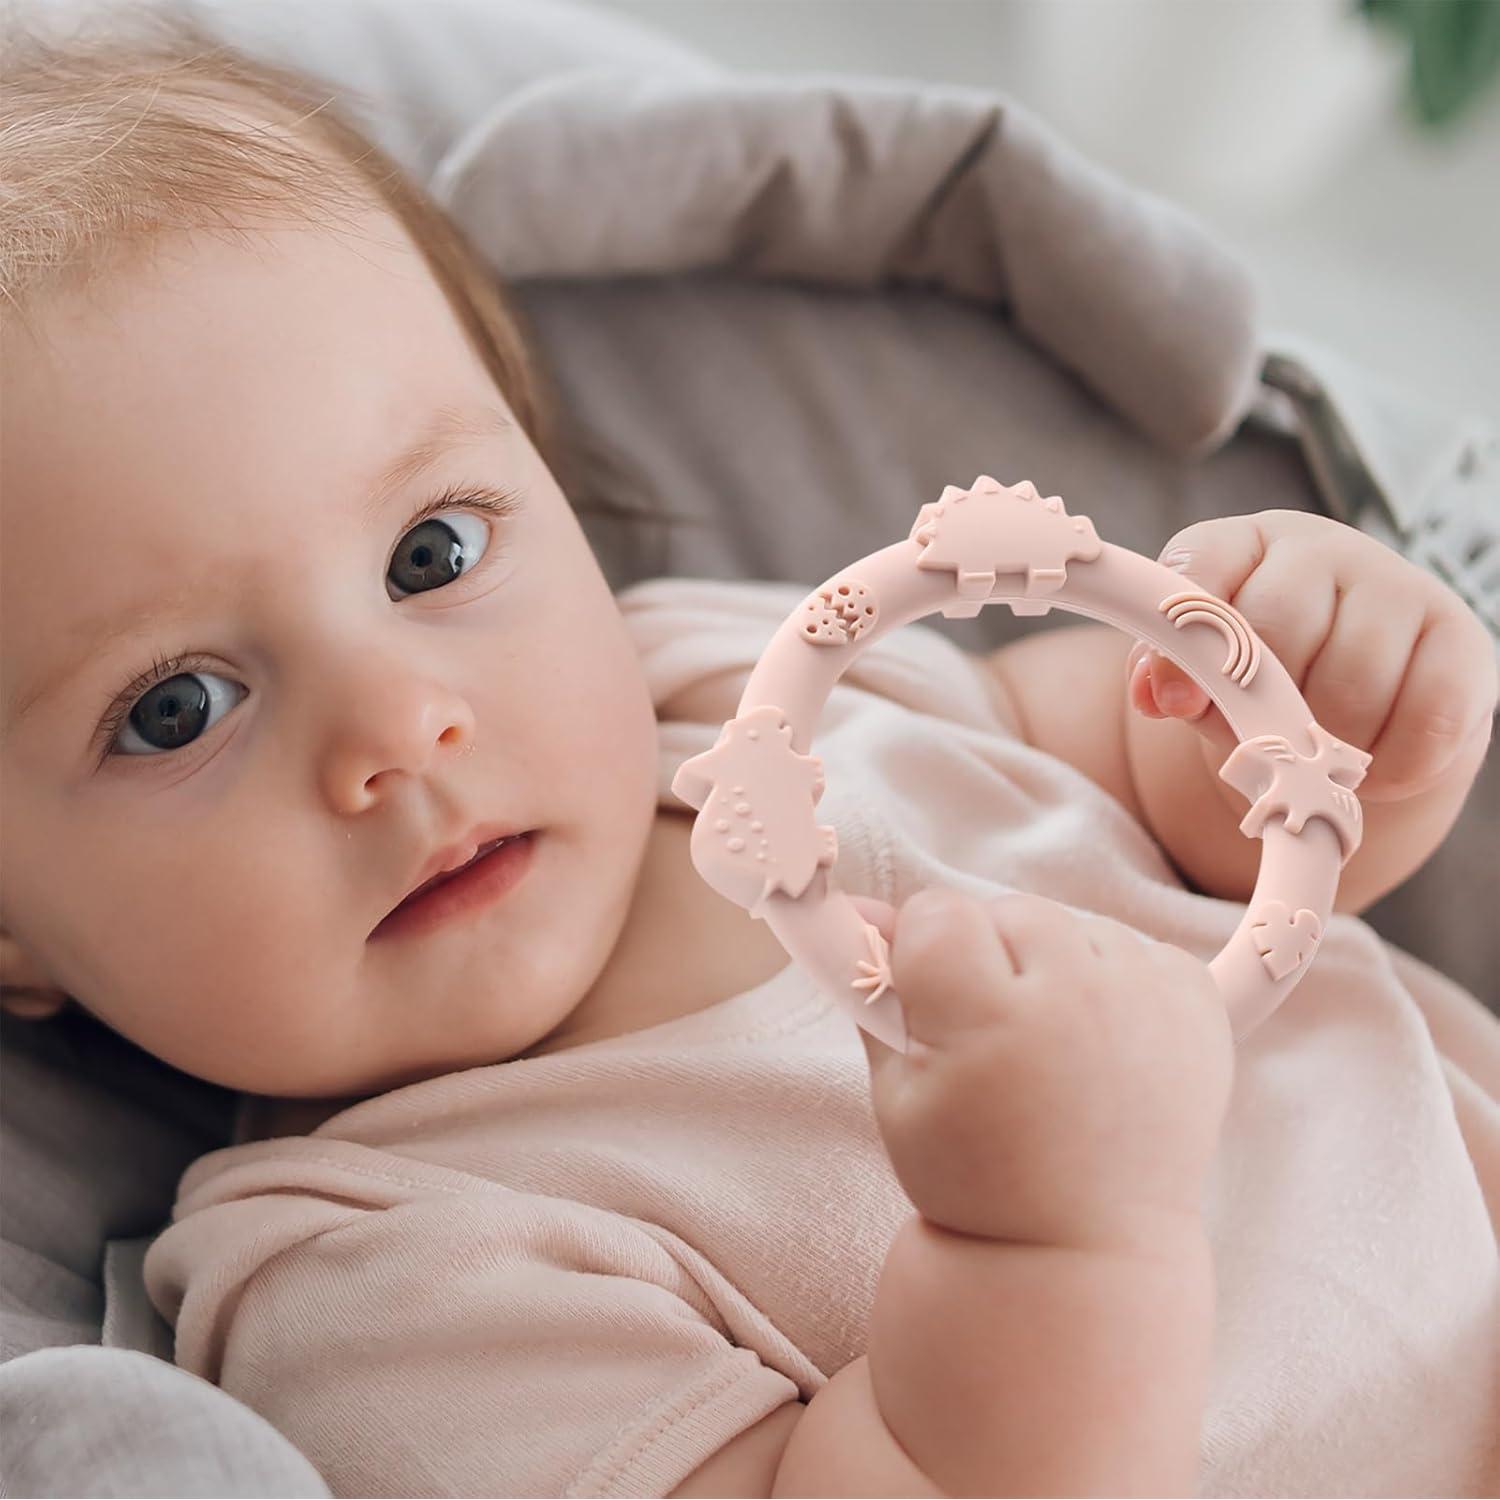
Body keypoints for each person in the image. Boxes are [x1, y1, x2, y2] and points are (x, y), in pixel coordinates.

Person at [3, 12, 1496, 1498]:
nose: (400, 727)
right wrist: (1052, 1242)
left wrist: (1333, 692)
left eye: (430, 553)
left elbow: (1212, 829)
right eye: (177, 709)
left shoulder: (751, 689)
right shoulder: (365, 1282)